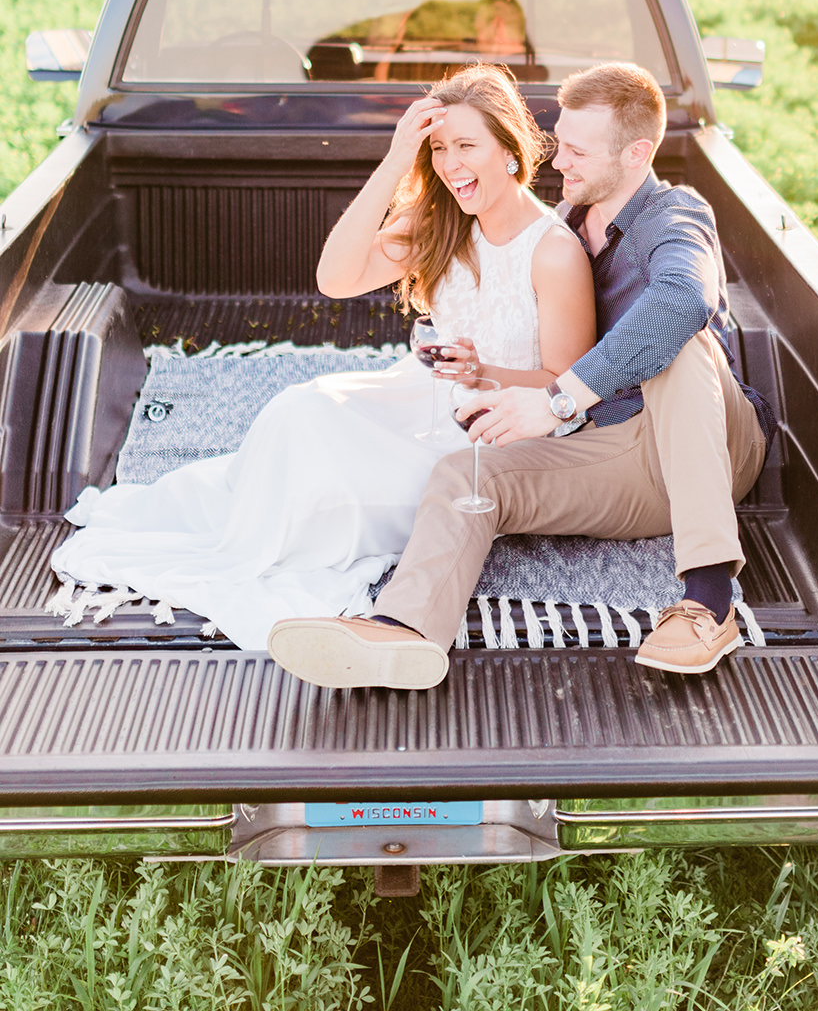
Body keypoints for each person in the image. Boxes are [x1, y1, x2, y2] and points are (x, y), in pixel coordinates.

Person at [50, 65, 595, 651]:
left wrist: (480, 371)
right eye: (438, 148)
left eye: (468, 146)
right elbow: (336, 278)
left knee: (327, 487)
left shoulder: (554, 252)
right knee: (295, 412)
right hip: (422, 394)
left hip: (494, 430)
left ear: (510, 150)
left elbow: (565, 386)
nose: (451, 165)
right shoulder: (439, 222)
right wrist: (395, 163)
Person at [267, 62, 776, 690]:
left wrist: (560, 398)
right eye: (560, 142)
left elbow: (682, 299)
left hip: (715, 446)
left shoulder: (676, 218)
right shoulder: (561, 221)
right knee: (466, 471)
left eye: (578, 150)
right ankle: (405, 633)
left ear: (637, 154)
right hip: (618, 456)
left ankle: (708, 601)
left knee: (681, 342)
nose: (558, 160)